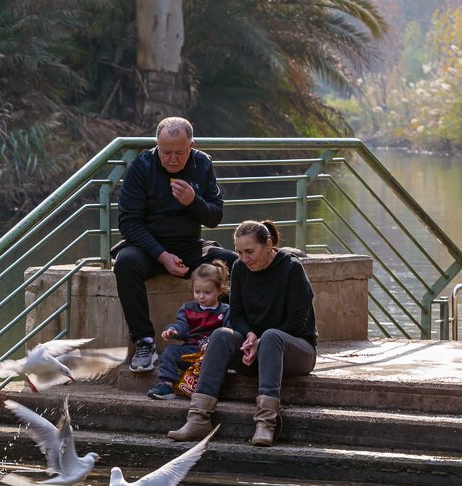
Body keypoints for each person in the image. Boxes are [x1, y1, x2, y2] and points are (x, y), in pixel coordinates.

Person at [168, 220, 318, 447]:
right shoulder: (239, 268)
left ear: (268, 245)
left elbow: (296, 323)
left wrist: (259, 340)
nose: (244, 258)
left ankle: (266, 423)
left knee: (271, 337)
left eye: (250, 251)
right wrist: (248, 335)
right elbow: (236, 316)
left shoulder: (291, 269)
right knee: (220, 335)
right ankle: (198, 417)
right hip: (254, 349)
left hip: (296, 351)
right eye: (239, 252)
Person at [112, 116, 237, 372]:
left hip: (191, 246)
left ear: (191, 146)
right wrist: (162, 255)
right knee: (125, 263)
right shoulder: (141, 167)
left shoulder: (202, 164)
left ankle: (232, 336)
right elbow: (128, 222)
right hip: (149, 248)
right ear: (156, 145)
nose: (171, 158)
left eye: (179, 153)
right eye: (165, 152)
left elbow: (215, 216)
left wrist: (193, 201)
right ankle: (144, 342)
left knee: (233, 262)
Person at [146, 261, 230, 400]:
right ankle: (166, 385)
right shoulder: (188, 308)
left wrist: (212, 344)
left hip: (210, 356)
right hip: (190, 351)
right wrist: (173, 330)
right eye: (197, 292)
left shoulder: (226, 311)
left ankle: (207, 390)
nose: (201, 297)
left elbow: (228, 333)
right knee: (170, 352)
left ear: (219, 290)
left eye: (207, 292)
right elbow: (182, 326)